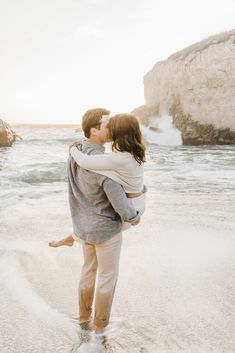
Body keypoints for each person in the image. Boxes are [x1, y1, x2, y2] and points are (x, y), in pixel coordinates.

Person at [51, 108, 140, 334]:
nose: (111, 128)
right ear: (94, 130)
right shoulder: (102, 163)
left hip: (83, 227)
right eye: (106, 124)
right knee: (107, 279)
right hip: (106, 230)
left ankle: (83, 318)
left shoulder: (76, 153)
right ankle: (100, 328)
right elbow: (120, 205)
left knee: (88, 272)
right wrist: (133, 217)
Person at [49, 113, 146, 248]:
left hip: (132, 206)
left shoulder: (118, 159)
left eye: (112, 127)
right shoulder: (133, 153)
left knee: (109, 227)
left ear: (120, 133)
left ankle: (72, 238)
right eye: (108, 126)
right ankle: (71, 238)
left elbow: (86, 161)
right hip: (138, 199)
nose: (110, 130)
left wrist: (72, 148)